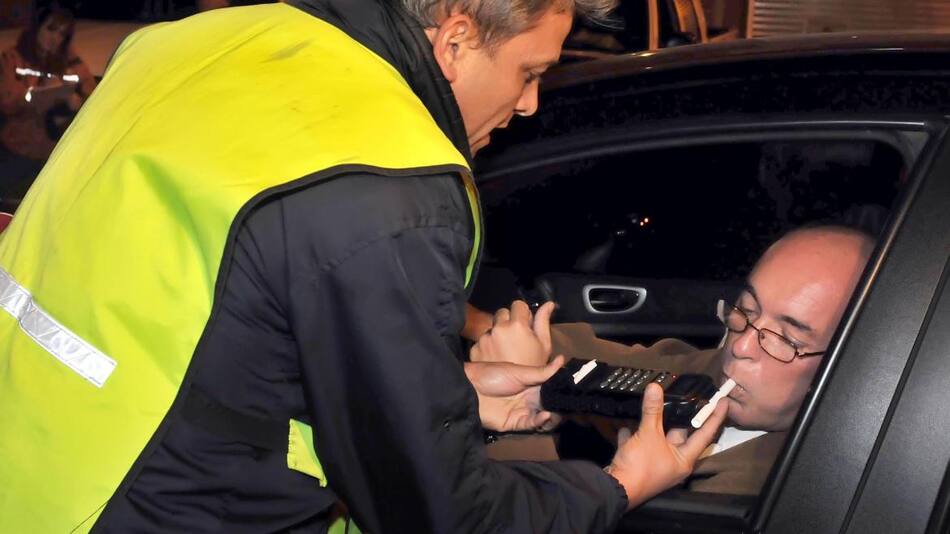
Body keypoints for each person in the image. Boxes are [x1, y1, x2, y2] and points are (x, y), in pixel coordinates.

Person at [0, 1, 727, 532]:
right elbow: (439, 514)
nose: (531, 104)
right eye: (529, 71)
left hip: (31, 464)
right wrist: (618, 486)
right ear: (456, 39)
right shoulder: (392, 186)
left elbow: (215, 326)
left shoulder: (197, 42)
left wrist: (455, 398)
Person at [472, 225, 874, 494]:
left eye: (785, 338)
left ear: (847, 366)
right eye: (747, 310)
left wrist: (519, 432)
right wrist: (479, 325)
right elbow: (620, 363)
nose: (741, 346)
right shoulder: (718, 377)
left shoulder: (769, 492)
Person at [0, 4, 96, 206]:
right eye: (51, 30)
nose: (55, 39)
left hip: (55, 152)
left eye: (62, 34)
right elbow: (7, 101)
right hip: (21, 147)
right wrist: (37, 97)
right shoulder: (13, 58)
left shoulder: (68, 61)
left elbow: (92, 93)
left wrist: (78, 101)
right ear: (37, 27)